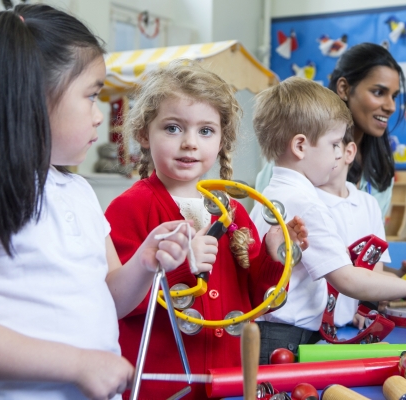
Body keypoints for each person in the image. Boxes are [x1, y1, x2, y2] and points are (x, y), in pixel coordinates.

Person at [0, 5, 192, 398]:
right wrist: (77, 363)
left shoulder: (78, 192)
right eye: (92, 96)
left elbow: (113, 299)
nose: (99, 116)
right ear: (33, 98)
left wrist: (144, 260)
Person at [105, 62, 308, 399]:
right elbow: (120, 302)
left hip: (227, 381)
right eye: (172, 128)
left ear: (221, 138)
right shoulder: (129, 209)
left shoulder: (235, 211)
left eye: (205, 131)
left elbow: (258, 299)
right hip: (161, 385)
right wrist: (183, 265)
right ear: (144, 133)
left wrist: (275, 256)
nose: (189, 143)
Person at [250, 77, 406, 364]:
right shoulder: (306, 203)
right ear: (300, 146)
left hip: (275, 333)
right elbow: (348, 279)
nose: (338, 155)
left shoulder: (272, 193)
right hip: (283, 339)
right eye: (334, 144)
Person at [256, 42, 403, 218]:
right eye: (379, 92)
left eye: (394, 96)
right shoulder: (297, 151)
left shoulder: (381, 164)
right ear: (344, 89)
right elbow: (270, 219)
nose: (391, 106)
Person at [316, 130, 391, 329]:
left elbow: (376, 266)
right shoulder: (309, 200)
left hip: (353, 324)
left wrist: (365, 309)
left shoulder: (369, 204)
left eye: (332, 146)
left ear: (349, 153)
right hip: (314, 324)